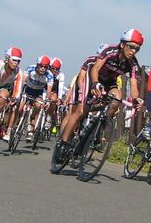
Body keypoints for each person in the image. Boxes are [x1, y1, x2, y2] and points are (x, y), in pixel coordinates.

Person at [55, 29, 145, 160]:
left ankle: (98, 126)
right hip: (93, 78)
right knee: (81, 111)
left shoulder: (133, 63)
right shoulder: (110, 51)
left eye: (137, 49)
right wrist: (95, 83)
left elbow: (134, 85)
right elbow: (96, 68)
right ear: (122, 44)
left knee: (118, 97)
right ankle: (63, 143)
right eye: (131, 47)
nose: (133, 51)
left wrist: (136, 98)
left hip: (110, 83)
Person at [18, 55, 54, 141]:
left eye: (45, 67)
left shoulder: (49, 75)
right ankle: (17, 122)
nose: (42, 68)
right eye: (41, 66)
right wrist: (20, 93)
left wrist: (48, 101)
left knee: (38, 105)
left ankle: (31, 122)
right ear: (37, 65)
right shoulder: (30, 68)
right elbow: (23, 81)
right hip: (28, 89)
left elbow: (49, 91)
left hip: (38, 92)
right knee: (20, 107)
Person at [46, 57, 65, 133]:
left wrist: (59, 98)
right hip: (45, 89)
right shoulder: (46, 72)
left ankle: (50, 118)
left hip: (54, 90)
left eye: (57, 69)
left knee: (53, 100)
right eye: (53, 68)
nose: (54, 71)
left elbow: (60, 87)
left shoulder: (61, 75)